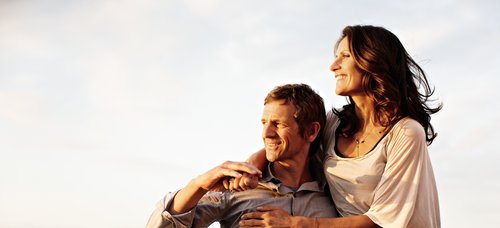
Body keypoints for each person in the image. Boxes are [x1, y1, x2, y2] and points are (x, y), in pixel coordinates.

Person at [238, 25, 442, 228]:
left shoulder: (406, 133)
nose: (333, 66)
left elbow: (383, 221)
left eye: (345, 56)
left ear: (372, 61)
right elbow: (294, 144)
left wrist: (296, 224)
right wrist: (254, 165)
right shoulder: (334, 124)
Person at [146, 84, 338, 228]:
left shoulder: (336, 196)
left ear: (311, 131)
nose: (266, 133)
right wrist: (199, 184)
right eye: (264, 123)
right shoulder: (235, 187)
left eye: (278, 124)